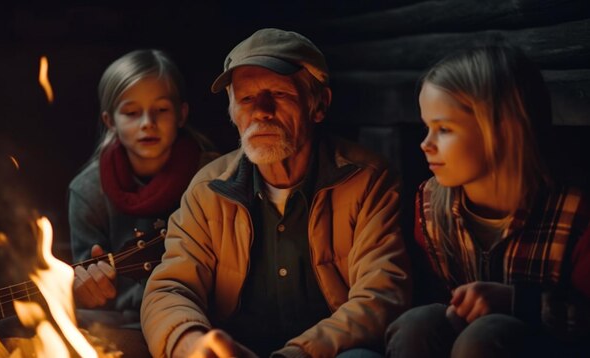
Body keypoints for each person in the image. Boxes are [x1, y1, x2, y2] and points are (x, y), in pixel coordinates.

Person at [140, 28, 412, 358]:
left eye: (280, 95)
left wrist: (298, 354)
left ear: (319, 105)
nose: (262, 111)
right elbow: (170, 287)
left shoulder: (368, 181)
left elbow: (381, 294)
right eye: (247, 99)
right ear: (233, 113)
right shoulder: (207, 190)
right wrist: (191, 341)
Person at [385, 45, 590, 357]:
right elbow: (432, 294)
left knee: (484, 336)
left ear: (504, 130)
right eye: (427, 127)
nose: (425, 144)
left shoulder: (574, 213)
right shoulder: (429, 205)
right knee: (416, 324)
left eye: (443, 129)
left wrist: (515, 301)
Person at [68, 49, 218, 354]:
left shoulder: (213, 177)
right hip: (119, 323)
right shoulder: (87, 191)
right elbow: (87, 288)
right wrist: (88, 290)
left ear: (182, 114)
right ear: (110, 120)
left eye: (161, 110)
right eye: (132, 113)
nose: (147, 122)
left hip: (204, 320)